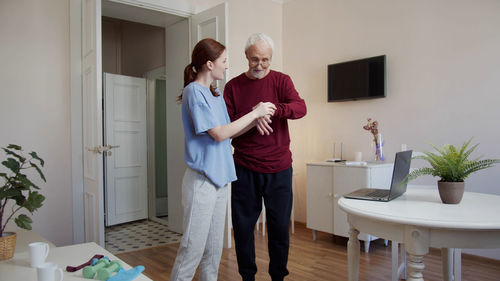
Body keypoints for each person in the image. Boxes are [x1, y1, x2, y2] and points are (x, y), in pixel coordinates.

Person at [170, 38, 276, 281]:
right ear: (209, 64)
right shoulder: (193, 92)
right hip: (201, 182)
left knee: (213, 251)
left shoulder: (214, 94)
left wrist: (254, 118)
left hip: (221, 181)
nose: (227, 66)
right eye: (224, 61)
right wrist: (254, 113)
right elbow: (218, 134)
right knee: (192, 249)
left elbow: (228, 131)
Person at [224, 33, 307, 281]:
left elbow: (300, 107)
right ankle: (247, 276)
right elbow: (226, 127)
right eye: (254, 59)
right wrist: (253, 116)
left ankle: (278, 277)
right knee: (243, 228)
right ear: (246, 57)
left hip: (279, 168)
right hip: (245, 168)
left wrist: (271, 109)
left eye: (265, 60)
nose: (259, 65)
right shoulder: (233, 87)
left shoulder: (282, 81)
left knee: (280, 227)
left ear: (271, 59)